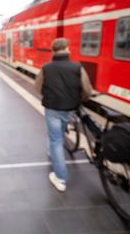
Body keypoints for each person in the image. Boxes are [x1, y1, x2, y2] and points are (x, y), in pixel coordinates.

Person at [34, 38, 92, 192]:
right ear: (66, 49)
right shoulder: (77, 67)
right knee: (58, 135)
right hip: (70, 108)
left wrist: (49, 94)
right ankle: (53, 153)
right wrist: (80, 99)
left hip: (52, 108)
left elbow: (37, 86)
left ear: (53, 50)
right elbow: (87, 90)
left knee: (55, 140)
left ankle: (60, 178)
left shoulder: (46, 68)